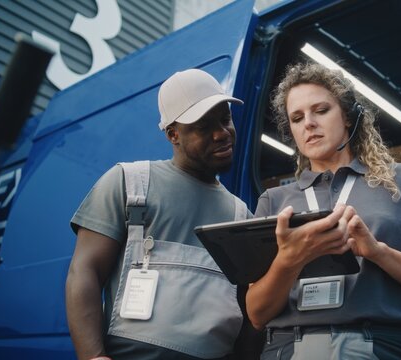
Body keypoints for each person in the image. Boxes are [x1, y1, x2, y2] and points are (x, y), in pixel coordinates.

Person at [246, 62, 401, 359]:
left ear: (348, 117)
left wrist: (378, 252)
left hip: (387, 346)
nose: (308, 123)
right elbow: (257, 314)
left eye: (321, 110)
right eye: (296, 118)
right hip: (291, 347)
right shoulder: (273, 201)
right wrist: (289, 260)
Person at [66, 68, 259, 360]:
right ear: (173, 134)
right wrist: (92, 356)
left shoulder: (241, 213)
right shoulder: (129, 184)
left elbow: (248, 309)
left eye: (225, 119)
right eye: (204, 126)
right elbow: (84, 271)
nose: (222, 133)